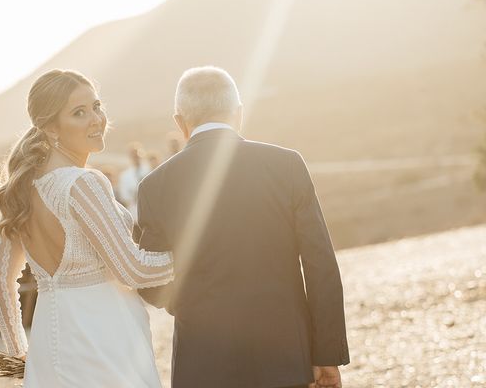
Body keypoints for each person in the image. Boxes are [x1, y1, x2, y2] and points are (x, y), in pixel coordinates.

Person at [135, 67, 350, 388]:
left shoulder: (155, 186)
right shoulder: (286, 165)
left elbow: (151, 283)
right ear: (238, 113)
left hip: (202, 361)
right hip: (287, 354)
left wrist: (190, 303)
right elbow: (321, 267)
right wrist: (326, 353)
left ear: (179, 122)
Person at [0, 69, 174, 387]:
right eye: (79, 113)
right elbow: (132, 269)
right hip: (103, 335)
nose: (96, 119)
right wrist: (196, 256)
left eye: (97, 106)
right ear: (50, 128)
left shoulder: (23, 188)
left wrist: (19, 357)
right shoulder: (82, 183)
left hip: (49, 341)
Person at [117, 142, 151, 219]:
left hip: (150, 212)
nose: (136, 157)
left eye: (138, 155)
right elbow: (124, 197)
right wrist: (135, 194)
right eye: (134, 156)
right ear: (130, 157)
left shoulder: (150, 170)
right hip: (134, 213)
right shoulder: (124, 175)